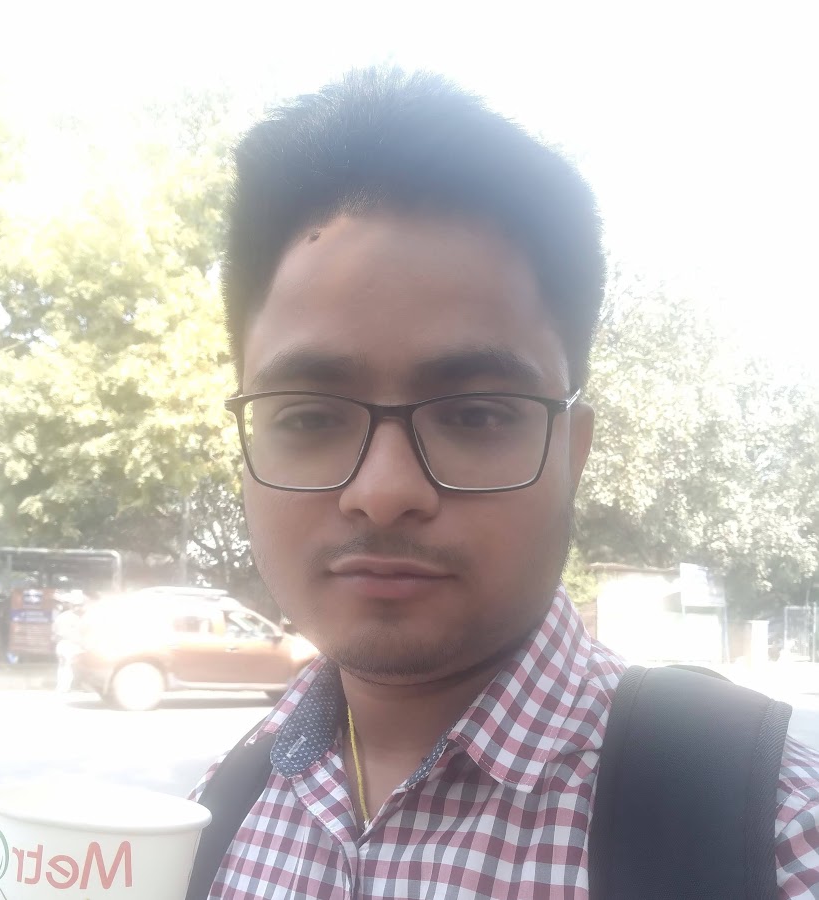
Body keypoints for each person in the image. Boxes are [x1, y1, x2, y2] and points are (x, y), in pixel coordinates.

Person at [193, 69, 819, 897]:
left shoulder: (772, 838)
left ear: (573, 451)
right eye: (309, 417)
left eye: (476, 414)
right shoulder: (219, 812)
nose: (383, 491)